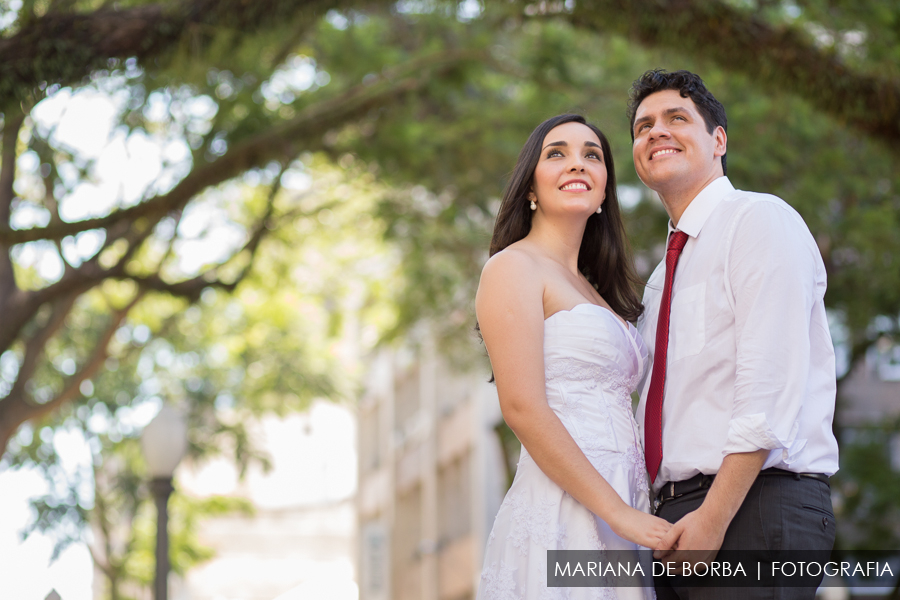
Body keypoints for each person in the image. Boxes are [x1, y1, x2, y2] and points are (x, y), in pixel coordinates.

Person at [628, 69, 839, 599]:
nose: (656, 132)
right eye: (643, 125)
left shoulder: (759, 221)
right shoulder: (659, 279)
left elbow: (768, 391)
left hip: (753, 507)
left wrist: (713, 519)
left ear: (719, 140)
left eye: (677, 118)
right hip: (671, 522)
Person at [475, 113, 670, 600]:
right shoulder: (511, 267)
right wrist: (618, 511)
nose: (576, 164)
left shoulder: (601, 291)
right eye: (556, 153)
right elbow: (522, 407)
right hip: (562, 508)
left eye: (592, 156)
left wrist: (630, 512)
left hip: (625, 507)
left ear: (604, 192)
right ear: (530, 188)